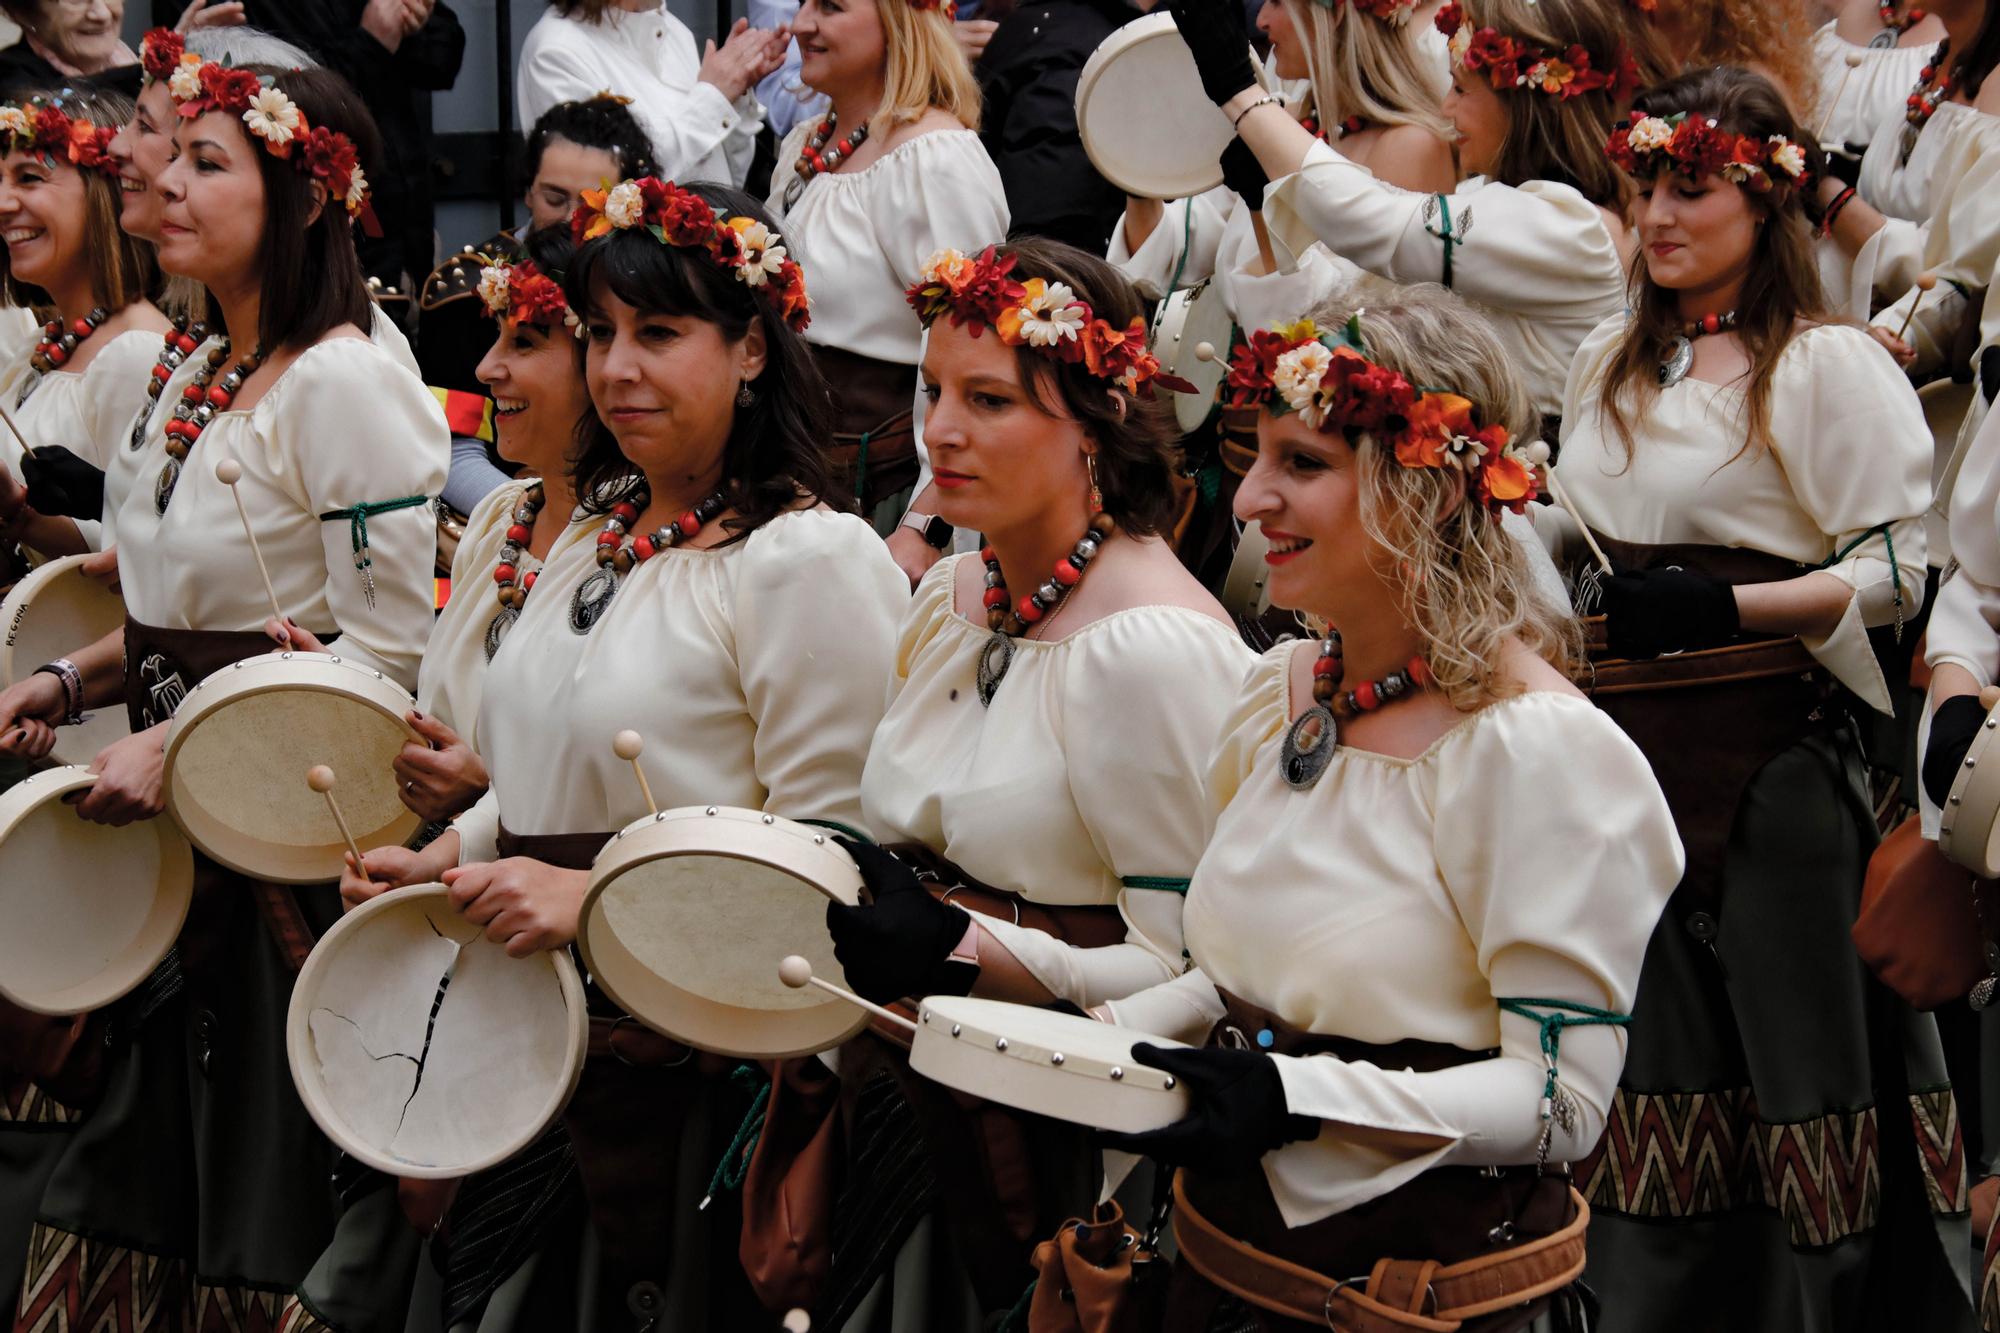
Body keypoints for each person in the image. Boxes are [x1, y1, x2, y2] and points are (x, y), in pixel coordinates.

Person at [342, 178, 906, 1331]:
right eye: (600, 335)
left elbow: (836, 858)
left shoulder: (805, 558)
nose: (615, 369)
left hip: (693, 1063)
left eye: (659, 334)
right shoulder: (596, 532)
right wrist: (447, 856)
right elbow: (536, 774)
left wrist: (595, 894)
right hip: (531, 1026)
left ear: (751, 349)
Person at [1074, 283, 1678, 1333]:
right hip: (1218, 1281)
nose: (1250, 499)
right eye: (1253, 455)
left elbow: (1561, 1103)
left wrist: (1293, 1100)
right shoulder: (1285, 687)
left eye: (1301, 463)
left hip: (1409, 1307)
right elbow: (1236, 967)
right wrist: (1095, 1038)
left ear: (1432, 489)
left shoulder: (1536, 752)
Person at [0, 61, 446, 1332]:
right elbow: (170, 614)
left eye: (209, 161)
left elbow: (387, 653)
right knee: (143, 1168)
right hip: (171, 825)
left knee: (264, 1174)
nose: (164, 177)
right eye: (169, 152)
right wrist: (59, 676)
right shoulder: (193, 360)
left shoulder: (345, 379)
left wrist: (188, 743)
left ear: (305, 197)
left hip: (289, 843)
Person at [1548, 66, 1972, 1331]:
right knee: (1656, 1086)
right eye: (1642, 187)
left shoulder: (1823, 364)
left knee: (1807, 1082)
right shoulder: (1602, 360)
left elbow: (1905, 563)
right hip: (1618, 758)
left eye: (1691, 188)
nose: (1658, 215)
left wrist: (1727, 608)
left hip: (1777, 766)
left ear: (1766, 198)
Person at [811, 238, 1252, 1329]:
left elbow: (1200, 967)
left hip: (1056, 1146)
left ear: (1095, 424)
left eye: (990, 399)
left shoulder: (1152, 648)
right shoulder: (952, 591)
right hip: (907, 1094)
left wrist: (967, 948)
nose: (940, 432)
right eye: (930, 392)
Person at [1172, 0, 1638, 422]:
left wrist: (1242, 95)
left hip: (1529, 505)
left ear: (1521, 104)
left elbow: (1378, 223)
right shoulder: (1492, 196)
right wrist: (1262, 205)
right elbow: (1340, 311)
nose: (1445, 105)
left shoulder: (1575, 229)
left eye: (1460, 88)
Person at [768, 0, 1007, 573]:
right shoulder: (805, 143)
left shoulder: (934, 156)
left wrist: (926, 524)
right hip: (789, 479)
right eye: (803, 4)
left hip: (881, 501)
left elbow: (973, 354)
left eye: (830, 7)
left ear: (900, 20)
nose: (802, 25)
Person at [402, 224, 592, 827]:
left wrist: (482, 805)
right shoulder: (497, 520)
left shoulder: (643, 551)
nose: (485, 369)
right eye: (497, 339)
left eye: (526, 343)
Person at [154, 0, 467, 294]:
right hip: (309, 221)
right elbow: (289, 102)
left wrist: (413, 19)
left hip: (403, 209)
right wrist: (373, 40)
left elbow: (444, 57)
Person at [0, 87, 166, 559]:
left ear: (105, 193)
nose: (3, 203)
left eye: (29, 178)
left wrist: (20, 515)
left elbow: (146, 555)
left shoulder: (136, 353)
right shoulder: (39, 345)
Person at [517, 0, 787, 191]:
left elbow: (724, 180)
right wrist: (714, 97)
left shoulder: (674, 31)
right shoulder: (556, 50)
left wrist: (734, 94)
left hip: (704, 261)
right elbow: (610, 192)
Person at [976, 0, 1136, 255]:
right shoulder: (1064, 41)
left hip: (1042, 260)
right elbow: (1052, 228)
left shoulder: (1034, 25)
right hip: (1056, 273)